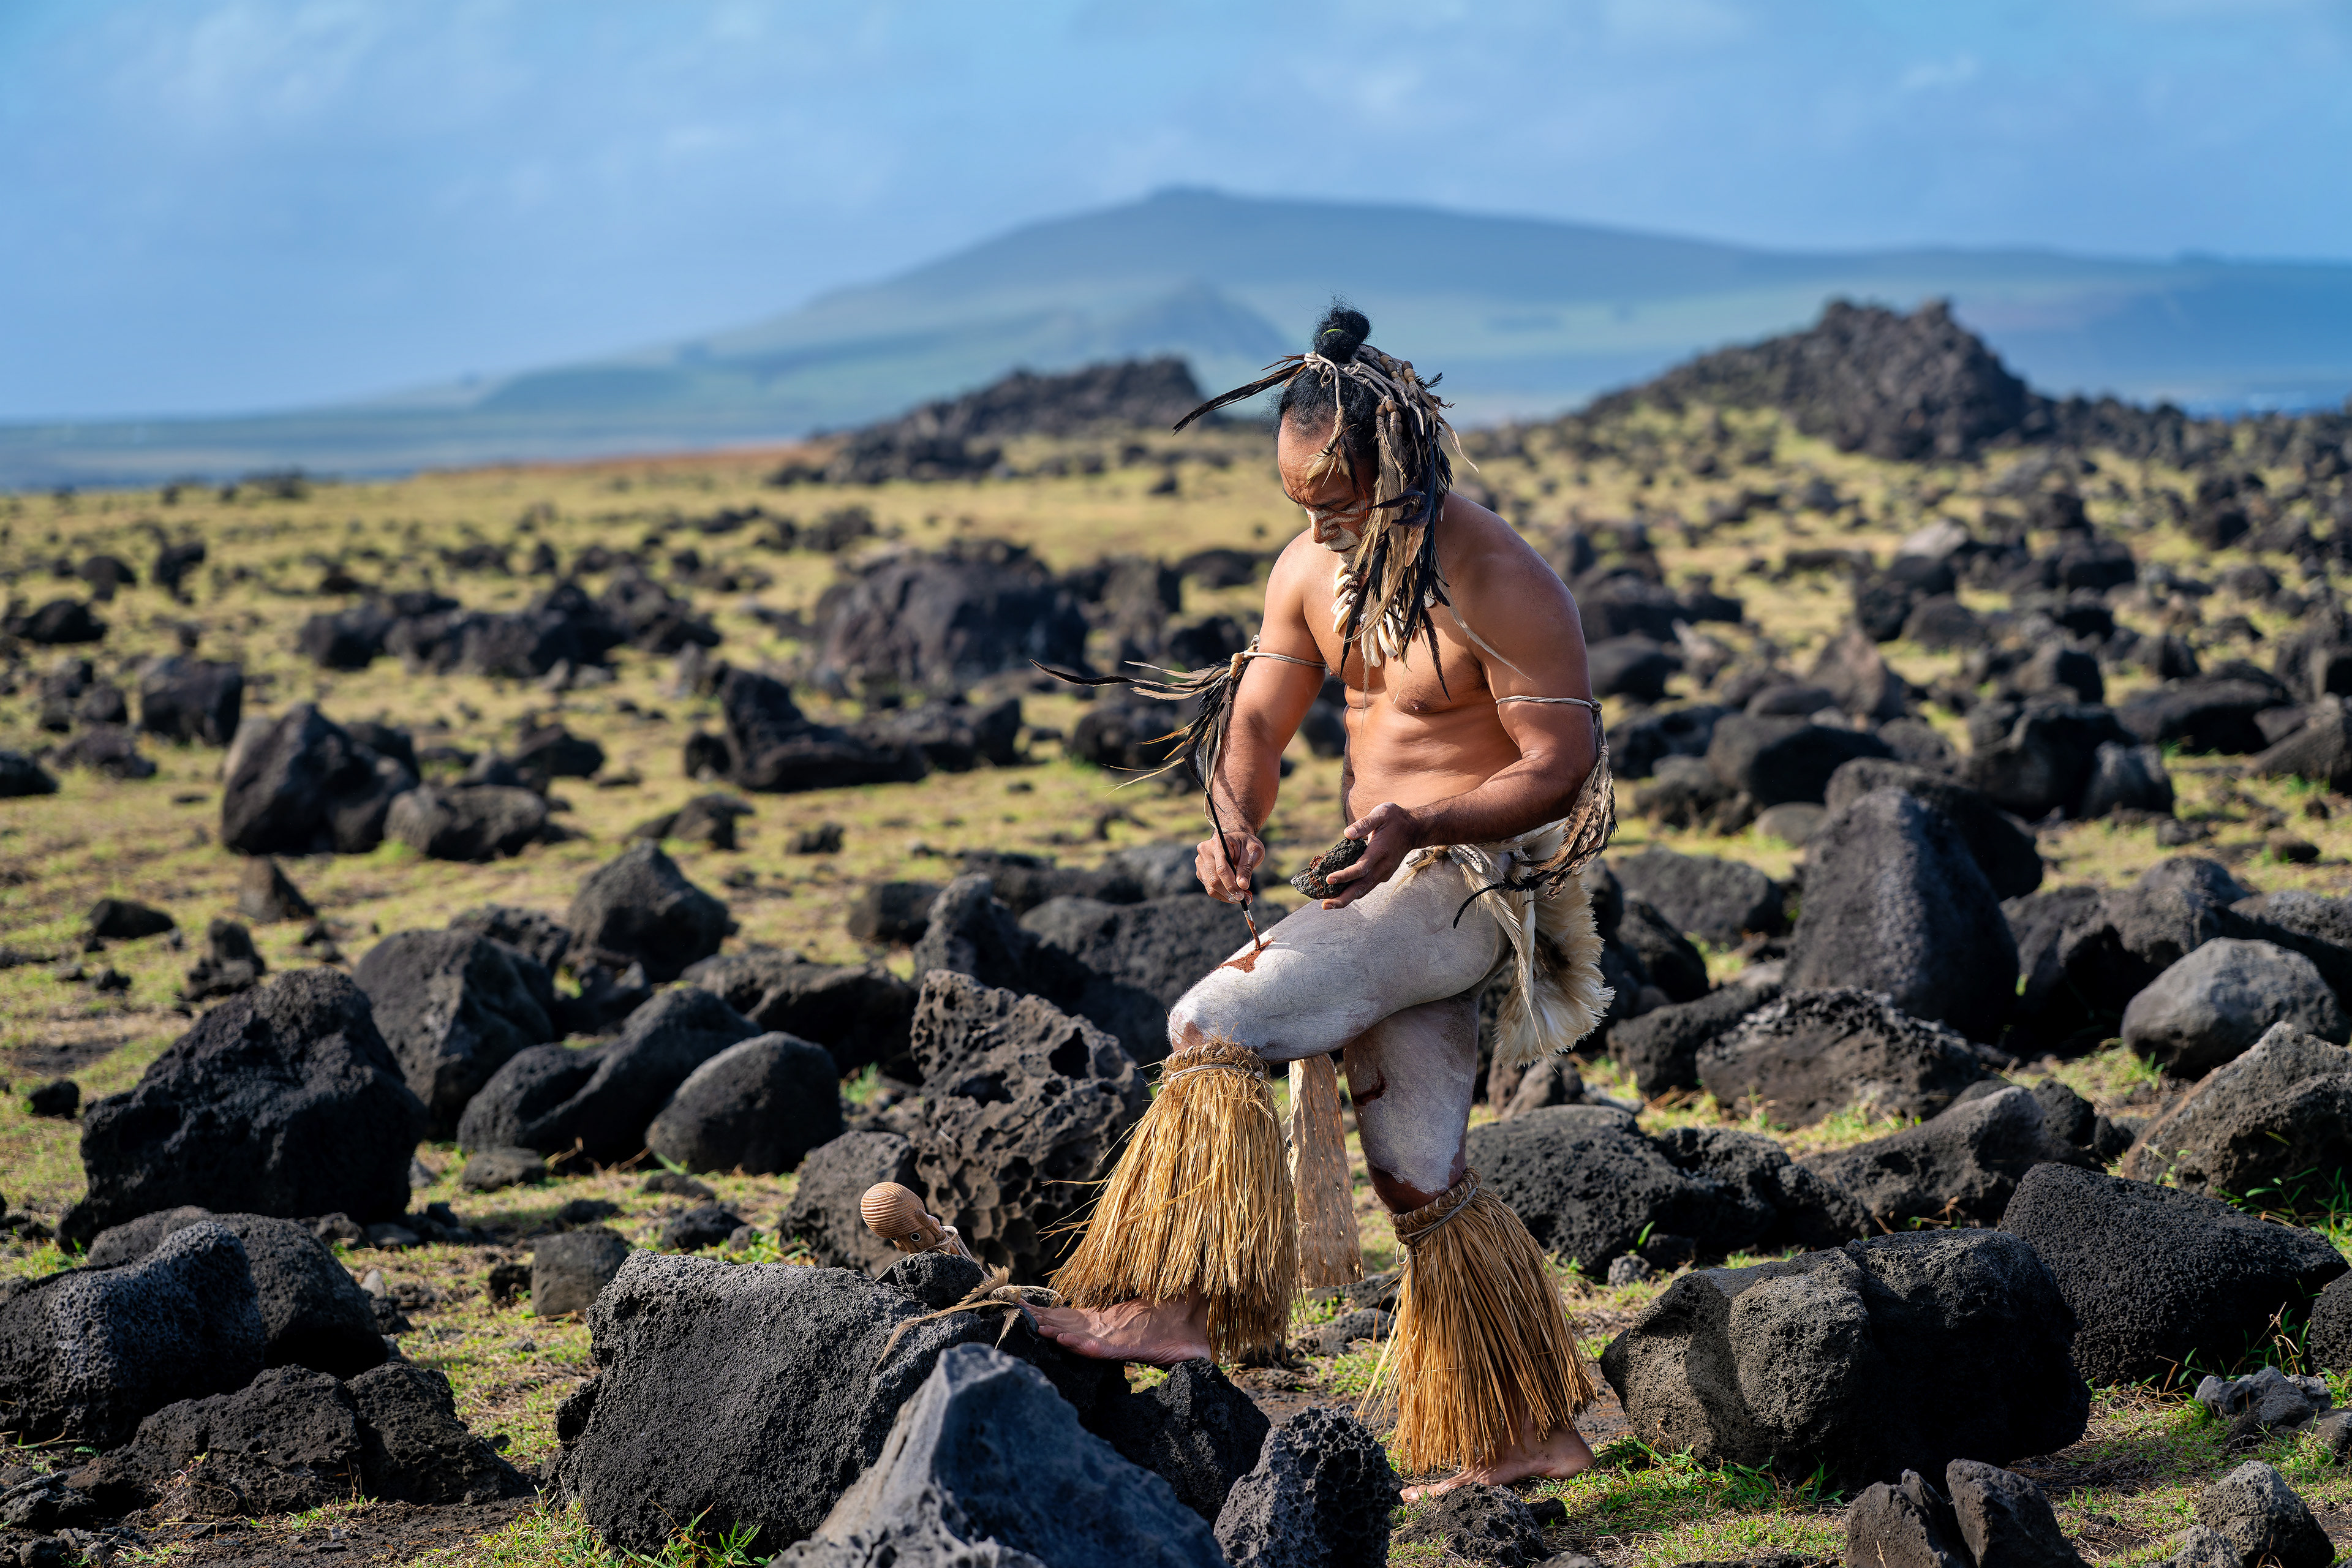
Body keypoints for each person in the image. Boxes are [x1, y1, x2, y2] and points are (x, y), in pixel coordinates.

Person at [1030, 304, 1616, 1496]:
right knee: (1418, 1173)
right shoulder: (1309, 569)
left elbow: (1560, 767)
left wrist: (1420, 825)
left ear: (1405, 474)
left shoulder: (1501, 581)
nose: (1319, 527)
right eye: (1301, 501)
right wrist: (1232, 818)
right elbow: (1258, 717)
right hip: (1382, 876)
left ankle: (1181, 1301)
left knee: (1214, 1021)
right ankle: (1525, 1427)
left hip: (1469, 883)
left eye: (1341, 503)